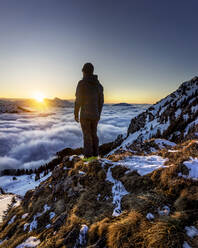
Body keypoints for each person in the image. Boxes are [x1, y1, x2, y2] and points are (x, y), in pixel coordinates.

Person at [74, 63, 104, 158]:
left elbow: (78, 100)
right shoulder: (99, 86)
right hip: (95, 115)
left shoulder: (82, 83)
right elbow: (101, 102)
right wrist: (98, 113)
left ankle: (88, 159)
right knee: (94, 135)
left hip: (85, 115)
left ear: (84, 71)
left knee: (87, 136)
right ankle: (95, 156)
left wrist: (76, 113)